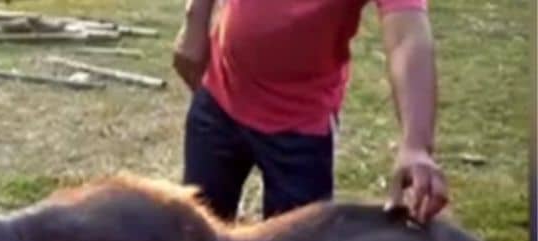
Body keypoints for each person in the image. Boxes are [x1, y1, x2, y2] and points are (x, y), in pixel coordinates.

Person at [172, 0, 448, 224]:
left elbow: (406, 37)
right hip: (220, 97)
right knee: (196, 234)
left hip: (299, 128)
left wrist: (416, 145)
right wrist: (195, 17)